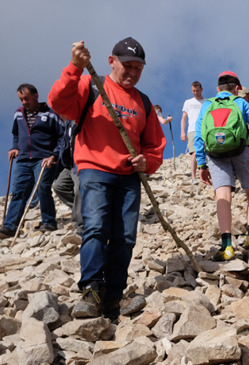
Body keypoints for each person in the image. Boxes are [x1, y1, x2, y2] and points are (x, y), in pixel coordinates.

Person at [48, 37, 166, 319]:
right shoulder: (91, 86)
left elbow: (154, 146)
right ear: (111, 61)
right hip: (95, 170)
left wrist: (146, 161)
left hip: (128, 177)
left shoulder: (143, 103)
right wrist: (74, 68)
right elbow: (57, 101)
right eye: (127, 65)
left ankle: (114, 296)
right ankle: (91, 290)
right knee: (96, 229)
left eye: (138, 68)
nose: (133, 72)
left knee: (125, 237)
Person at [194, 72, 249, 261]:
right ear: (237, 88)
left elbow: (199, 136)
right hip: (242, 151)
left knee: (223, 197)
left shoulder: (207, 105)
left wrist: (201, 164)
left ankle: (227, 247)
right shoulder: (241, 103)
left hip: (215, 155)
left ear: (217, 90)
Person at [0, 84, 65, 239]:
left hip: (43, 157)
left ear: (36, 96)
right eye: (21, 99)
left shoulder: (51, 114)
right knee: (19, 191)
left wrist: (54, 155)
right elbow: (16, 134)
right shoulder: (18, 114)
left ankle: (49, 222)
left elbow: (62, 137)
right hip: (24, 158)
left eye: (26, 98)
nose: (24, 102)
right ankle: (10, 227)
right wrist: (15, 147)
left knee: (43, 187)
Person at [51, 117, 83, 231]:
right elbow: (64, 143)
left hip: (79, 161)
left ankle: (80, 223)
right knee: (59, 187)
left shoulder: (79, 118)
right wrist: (55, 156)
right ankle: (83, 209)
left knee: (78, 189)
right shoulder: (67, 123)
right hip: (68, 163)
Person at [180, 81, 204, 183]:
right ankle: (194, 177)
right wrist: (182, 132)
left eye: (197, 91)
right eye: (193, 91)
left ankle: (207, 174)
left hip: (204, 130)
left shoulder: (206, 102)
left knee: (208, 152)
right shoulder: (188, 102)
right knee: (194, 153)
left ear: (201, 90)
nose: (195, 93)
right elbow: (184, 118)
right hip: (192, 130)